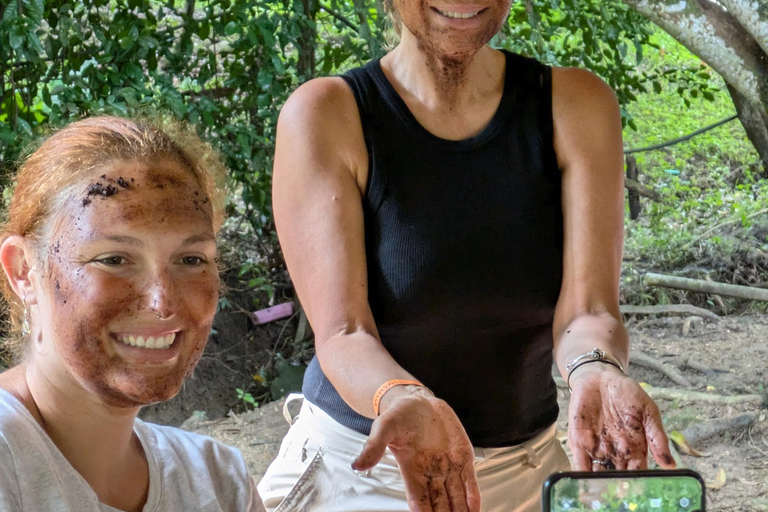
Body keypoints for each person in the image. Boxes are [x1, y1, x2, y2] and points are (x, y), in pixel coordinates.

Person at [258, 1, 678, 511]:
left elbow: (588, 312)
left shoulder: (575, 104)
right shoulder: (327, 113)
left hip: (525, 471)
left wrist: (597, 370)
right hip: (363, 471)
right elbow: (345, 334)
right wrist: (402, 398)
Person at [0, 116, 266, 512]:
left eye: (191, 259)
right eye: (114, 259)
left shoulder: (219, 480)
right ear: (23, 270)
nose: (162, 303)